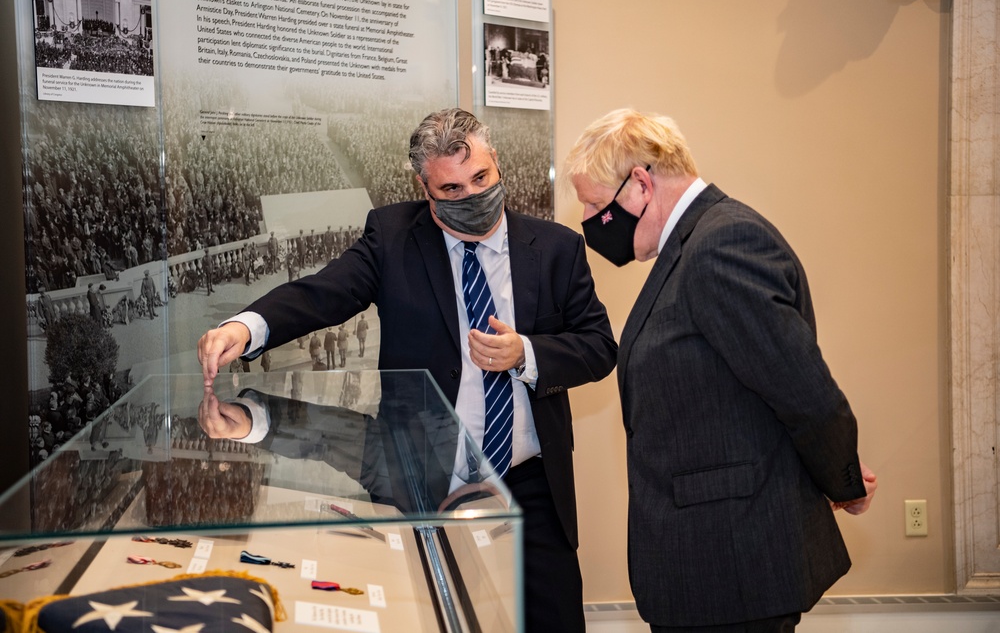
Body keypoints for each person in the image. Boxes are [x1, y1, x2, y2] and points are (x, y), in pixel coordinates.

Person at [198, 107, 618, 633]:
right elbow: (324, 292)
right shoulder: (393, 236)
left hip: (529, 482)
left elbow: (599, 346)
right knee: (427, 617)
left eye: (481, 178)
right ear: (426, 188)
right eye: (451, 189)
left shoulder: (556, 249)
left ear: (497, 165)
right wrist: (246, 328)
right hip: (422, 475)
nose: (471, 196)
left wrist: (526, 355)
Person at [562, 108, 878, 632]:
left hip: (733, 565)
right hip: (708, 565)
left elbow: (804, 391)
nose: (593, 224)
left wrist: (843, 480)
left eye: (596, 205)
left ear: (640, 183)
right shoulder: (691, 246)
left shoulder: (721, 245)